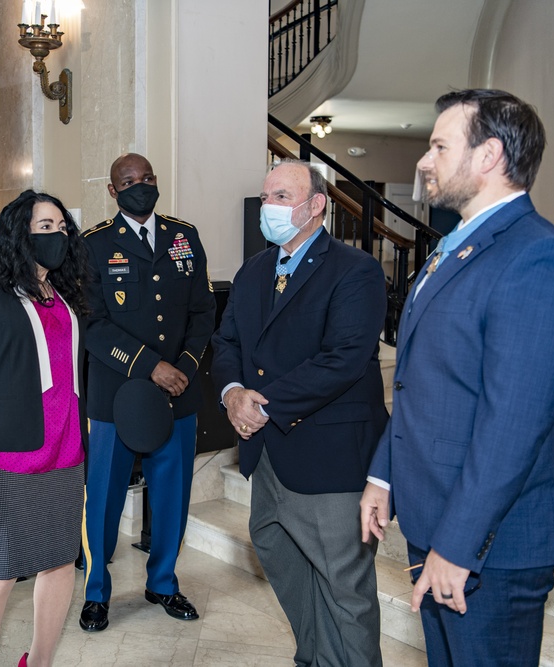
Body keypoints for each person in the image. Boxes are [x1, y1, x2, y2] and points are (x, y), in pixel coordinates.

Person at [360, 89, 554, 667]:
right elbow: (419, 381)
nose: (423, 160)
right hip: (434, 517)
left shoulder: (537, 257)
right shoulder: (455, 247)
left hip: (492, 544)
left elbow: (511, 424)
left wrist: (457, 546)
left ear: (488, 156)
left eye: (439, 145)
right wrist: (384, 477)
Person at [211, 159, 387, 666]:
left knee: (344, 589)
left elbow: (344, 358)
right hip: (268, 454)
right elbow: (227, 341)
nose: (269, 207)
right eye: (267, 197)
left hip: (329, 458)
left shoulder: (355, 271)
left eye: (282, 197)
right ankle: (314, 657)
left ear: (316, 207)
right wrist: (231, 393)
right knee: (277, 551)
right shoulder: (255, 270)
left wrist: (262, 405)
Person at [0, 190, 90, 667]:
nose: (56, 235)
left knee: (61, 562)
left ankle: (40, 660)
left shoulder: (64, 294)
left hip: (65, 454)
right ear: (17, 232)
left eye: (61, 227)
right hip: (6, 461)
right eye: (44, 226)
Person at [78, 152, 216, 631]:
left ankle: (163, 582)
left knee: (172, 494)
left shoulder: (185, 236)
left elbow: (203, 312)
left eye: (148, 178)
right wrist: (149, 366)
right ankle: (96, 591)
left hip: (178, 392)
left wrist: (183, 367)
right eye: (129, 181)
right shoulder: (93, 245)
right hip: (116, 395)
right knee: (104, 498)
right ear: (113, 191)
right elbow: (92, 324)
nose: (142, 186)